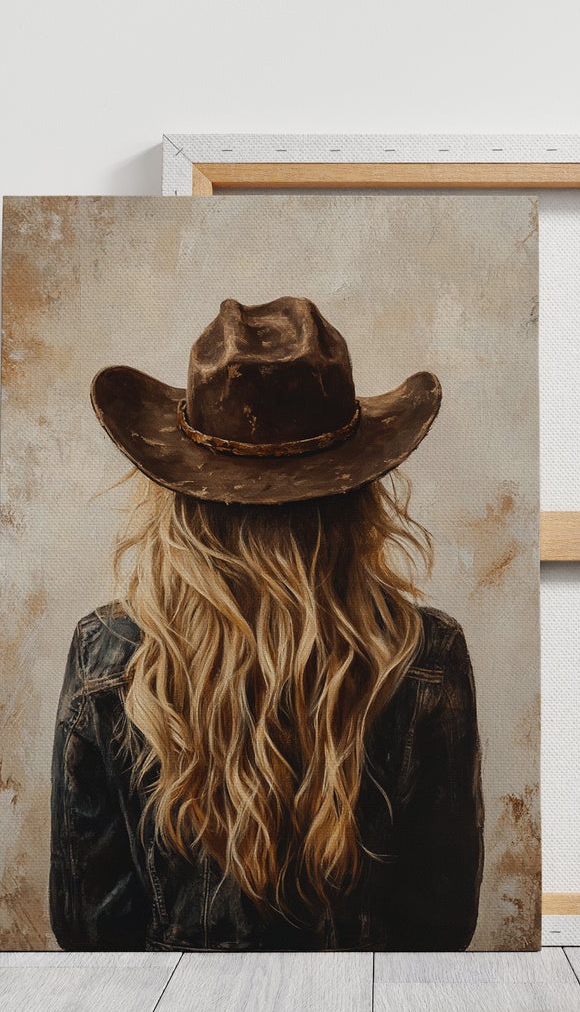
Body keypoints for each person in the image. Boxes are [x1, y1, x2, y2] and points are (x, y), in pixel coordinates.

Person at [49, 296, 483, 950]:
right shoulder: (425, 656)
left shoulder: (108, 654)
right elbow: (440, 925)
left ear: (182, 495)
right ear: (357, 493)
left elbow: (88, 928)